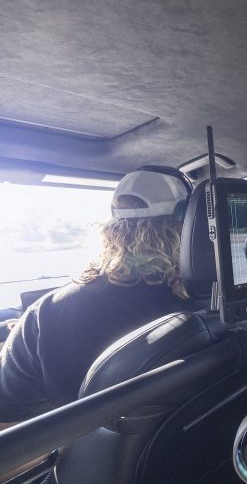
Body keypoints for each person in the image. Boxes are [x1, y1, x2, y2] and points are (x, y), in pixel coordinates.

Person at [0, 166, 199, 423]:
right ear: (187, 223)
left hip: (53, 440)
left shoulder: (53, 310)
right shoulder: (205, 298)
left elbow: (23, 425)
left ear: (112, 227)